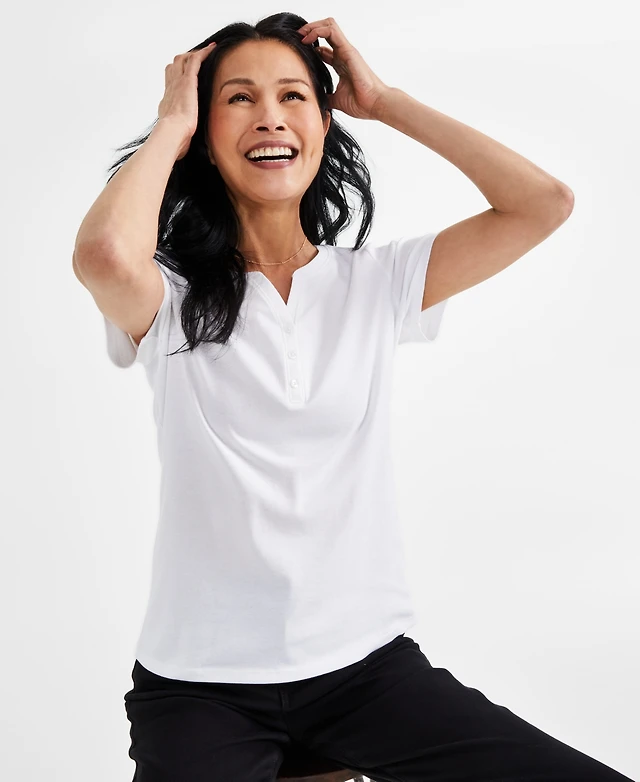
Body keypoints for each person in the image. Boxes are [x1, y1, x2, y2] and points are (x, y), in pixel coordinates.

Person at [72, 11, 633, 782]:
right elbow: (104, 253)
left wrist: (387, 101)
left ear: (323, 121)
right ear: (205, 130)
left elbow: (544, 203)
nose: (270, 116)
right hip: (202, 686)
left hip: (365, 672)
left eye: (292, 96)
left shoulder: (376, 283)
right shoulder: (166, 294)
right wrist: (173, 121)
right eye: (238, 98)